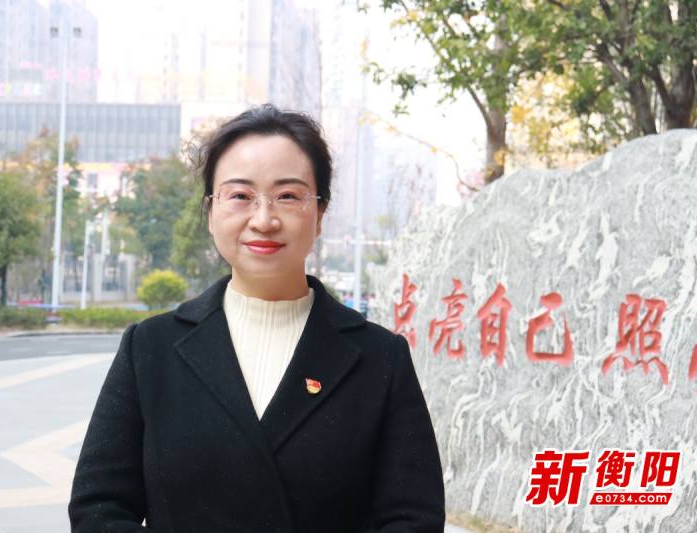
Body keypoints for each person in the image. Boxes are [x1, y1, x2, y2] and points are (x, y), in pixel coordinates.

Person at [68, 104, 445, 532]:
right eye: (240, 196)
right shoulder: (150, 349)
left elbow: (414, 517)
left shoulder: (379, 358)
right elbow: (99, 508)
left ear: (320, 213)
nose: (263, 220)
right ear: (211, 212)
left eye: (288, 196)